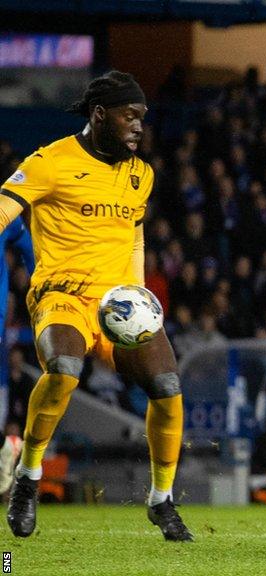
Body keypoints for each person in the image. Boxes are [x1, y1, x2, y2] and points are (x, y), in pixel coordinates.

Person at [0, 71, 193, 541]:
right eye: (130, 117)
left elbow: (134, 234)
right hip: (60, 296)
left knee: (167, 385)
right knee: (64, 367)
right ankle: (28, 475)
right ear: (100, 115)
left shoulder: (139, 174)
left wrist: (138, 290)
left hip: (118, 303)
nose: (138, 127)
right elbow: (5, 204)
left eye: (143, 119)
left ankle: (161, 499)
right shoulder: (51, 160)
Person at [0, 215, 32, 494]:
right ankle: (6, 446)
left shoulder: (5, 210)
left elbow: (28, 248)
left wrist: (39, 291)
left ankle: (6, 447)